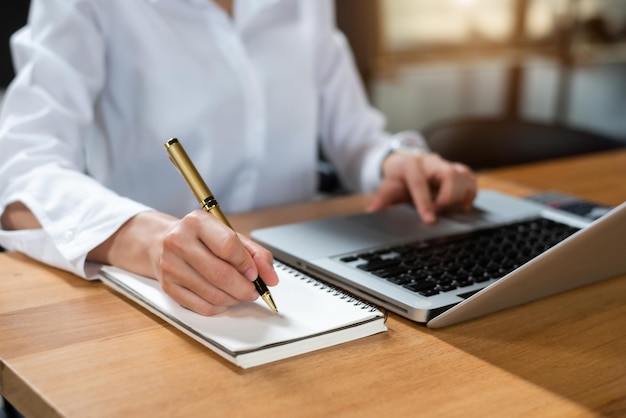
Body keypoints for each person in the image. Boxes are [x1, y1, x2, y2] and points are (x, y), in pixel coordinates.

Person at [0, 0, 476, 315]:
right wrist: (149, 239)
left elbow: (355, 138)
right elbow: (19, 167)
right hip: (153, 296)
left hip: (315, 268)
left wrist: (395, 161)